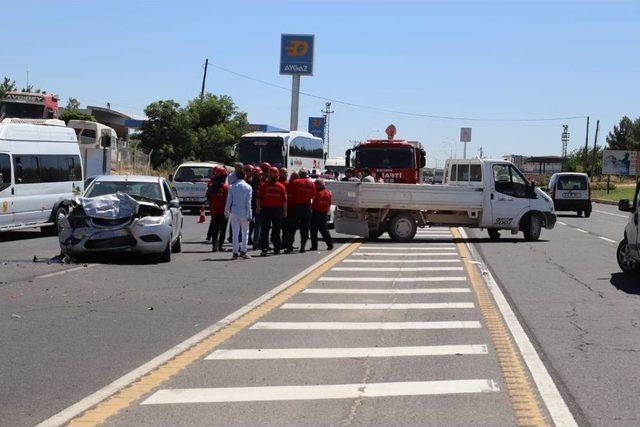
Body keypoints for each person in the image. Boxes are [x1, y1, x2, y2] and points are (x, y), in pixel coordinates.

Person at [257, 167, 287, 256]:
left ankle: (272, 248)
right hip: (270, 209)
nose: (272, 175)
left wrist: (285, 211)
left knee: (270, 229)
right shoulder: (266, 185)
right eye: (271, 174)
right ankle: (271, 248)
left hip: (273, 210)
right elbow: (259, 198)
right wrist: (258, 207)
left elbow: (285, 200)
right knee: (271, 230)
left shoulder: (278, 186)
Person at [285, 168, 316, 253]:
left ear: (299, 174)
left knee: (292, 227)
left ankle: (289, 247)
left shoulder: (296, 182)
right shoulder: (311, 183)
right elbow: (313, 196)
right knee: (304, 228)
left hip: (296, 207)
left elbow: (290, 194)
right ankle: (303, 247)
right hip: (306, 207)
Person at [224, 170, 252, 260]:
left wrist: (226, 211)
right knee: (245, 232)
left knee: (235, 233)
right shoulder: (248, 187)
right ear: (244, 176)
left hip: (234, 212)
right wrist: (250, 214)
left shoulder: (232, 187)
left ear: (236, 177)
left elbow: (229, 201)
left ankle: (235, 253)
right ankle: (244, 251)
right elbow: (248, 203)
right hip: (244, 212)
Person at [206, 167, 229, 252]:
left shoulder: (211, 186)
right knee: (223, 229)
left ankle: (214, 246)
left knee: (215, 229)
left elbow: (208, 198)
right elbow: (228, 199)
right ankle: (220, 246)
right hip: (223, 211)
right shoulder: (226, 187)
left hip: (214, 210)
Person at [310, 179, 334, 251]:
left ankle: (314, 246)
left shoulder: (318, 193)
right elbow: (329, 203)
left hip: (317, 212)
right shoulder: (328, 192)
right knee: (324, 230)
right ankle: (330, 244)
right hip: (324, 213)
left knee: (313, 230)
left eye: (316, 184)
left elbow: (315, 203)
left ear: (318, 185)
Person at [249, 169, 262, 249]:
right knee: (257, 226)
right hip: (257, 207)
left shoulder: (249, 183)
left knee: (252, 225)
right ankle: (256, 242)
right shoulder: (261, 184)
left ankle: (254, 241)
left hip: (251, 206)